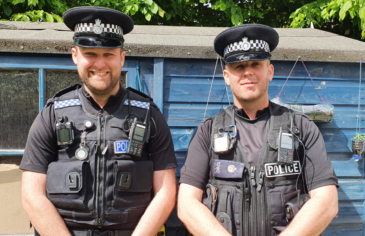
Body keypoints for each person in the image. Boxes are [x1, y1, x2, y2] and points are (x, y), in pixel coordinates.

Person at [20, 6, 177, 236]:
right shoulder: (52, 115)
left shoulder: (149, 116)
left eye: (108, 54)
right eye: (91, 54)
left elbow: (166, 192)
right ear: (75, 55)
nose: (100, 64)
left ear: (122, 57)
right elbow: (31, 195)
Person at [177, 24, 338, 236]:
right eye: (239, 66)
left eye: (255, 64)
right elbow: (187, 204)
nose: (248, 72)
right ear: (226, 76)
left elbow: (327, 201)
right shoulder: (208, 131)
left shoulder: (301, 127)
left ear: (269, 71)